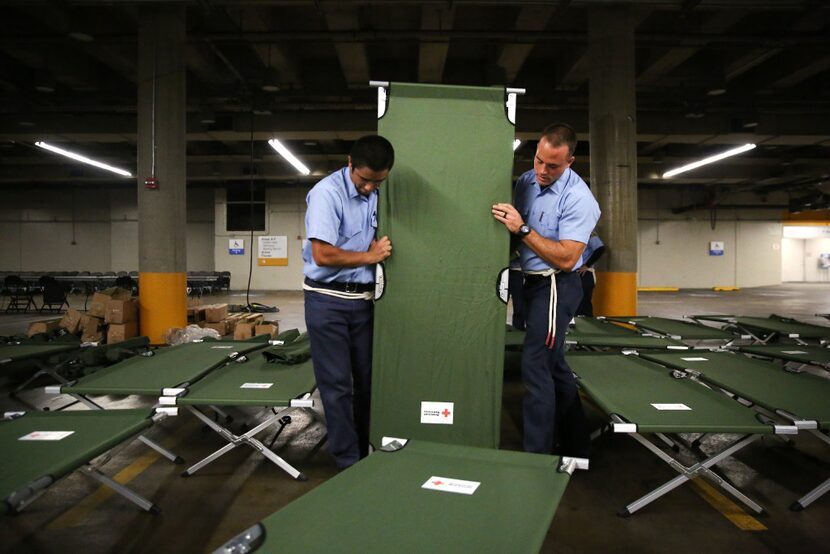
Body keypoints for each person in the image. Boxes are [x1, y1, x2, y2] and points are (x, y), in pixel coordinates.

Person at [492, 123, 600, 458]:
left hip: (557, 284)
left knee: (536, 364)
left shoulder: (579, 199)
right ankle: (577, 447)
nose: (541, 170)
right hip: (530, 282)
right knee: (553, 365)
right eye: (538, 160)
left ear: (570, 161)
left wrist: (522, 229)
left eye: (552, 166)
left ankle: (536, 457)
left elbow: (568, 258)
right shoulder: (527, 181)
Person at [302, 135, 395, 470]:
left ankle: (368, 449)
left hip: (365, 303)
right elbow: (322, 254)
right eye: (364, 180)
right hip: (327, 303)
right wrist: (370, 255)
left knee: (371, 382)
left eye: (378, 181)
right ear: (350, 164)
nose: (370, 188)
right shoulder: (329, 193)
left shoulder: (381, 191)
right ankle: (348, 462)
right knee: (338, 387)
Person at [575, 234, 606, 317]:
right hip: (574, 273)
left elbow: (600, 248)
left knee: (583, 303)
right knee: (575, 303)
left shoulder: (589, 233)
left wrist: (587, 265)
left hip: (584, 273)